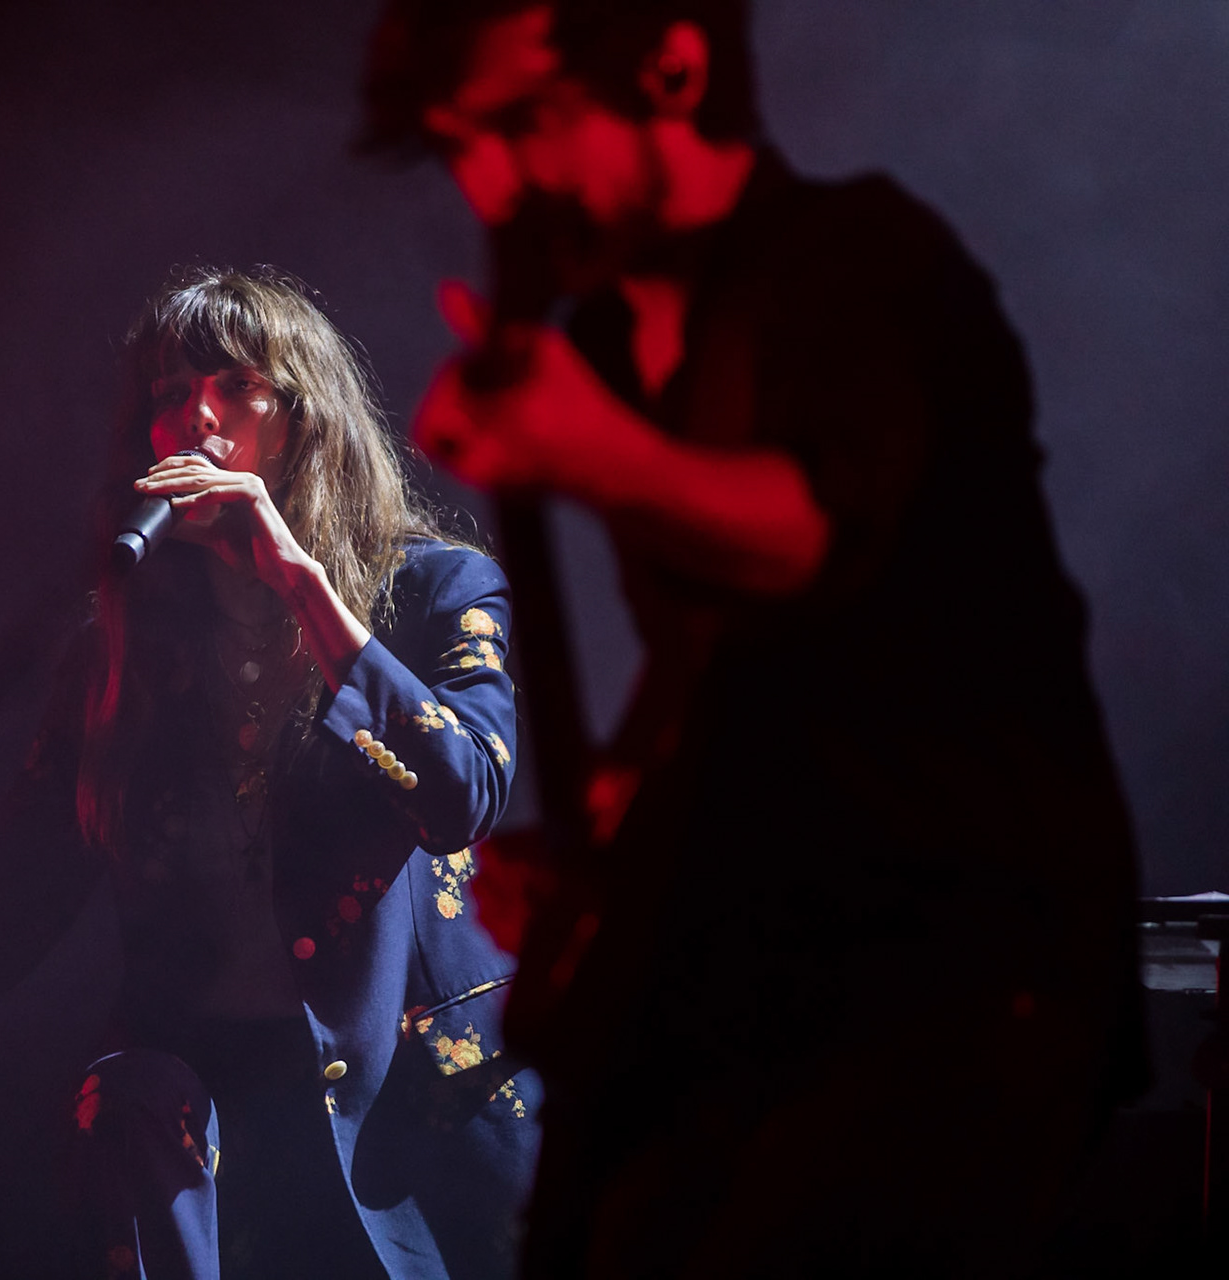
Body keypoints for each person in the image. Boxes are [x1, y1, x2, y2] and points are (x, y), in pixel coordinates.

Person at [361, 2, 1146, 1276]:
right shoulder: (612, 340)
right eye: (462, 143)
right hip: (769, 956)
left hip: (959, 956)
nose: (491, 184)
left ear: (673, 63)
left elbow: (816, 536)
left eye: (524, 124)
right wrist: (611, 828)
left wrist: (591, 452)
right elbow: (718, 660)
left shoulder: (861, 257)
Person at [0, 267, 540, 1279]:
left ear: (305, 418)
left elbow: (463, 791)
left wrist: (297, 578)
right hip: (224, 1150)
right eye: (169, 395)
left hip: (417, 1134)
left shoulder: (432, 590)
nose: (195, 418)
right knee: (122, 1093)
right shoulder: (118, 663)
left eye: (234, 385)